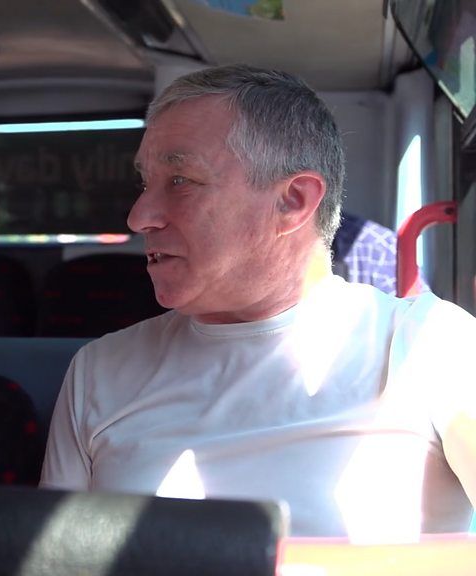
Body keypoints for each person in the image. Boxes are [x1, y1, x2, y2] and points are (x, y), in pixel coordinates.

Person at [41, 65, 476, 541]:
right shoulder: (98, 371)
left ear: (292, 201)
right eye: (146, 183)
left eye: (180, 181)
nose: (139, 216)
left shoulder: (429, 346)